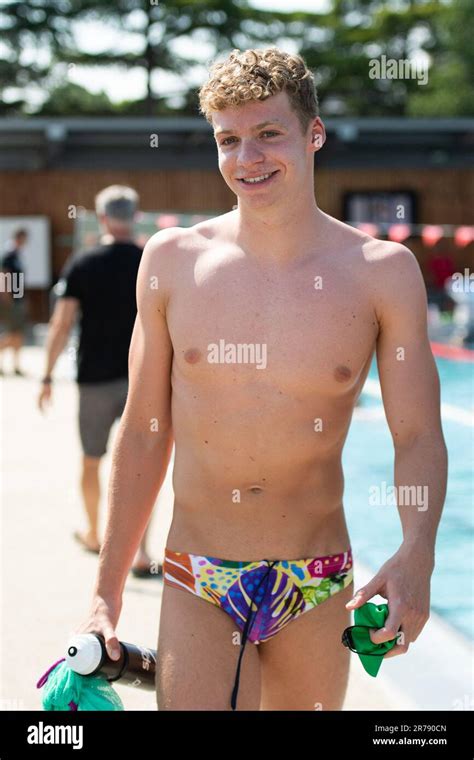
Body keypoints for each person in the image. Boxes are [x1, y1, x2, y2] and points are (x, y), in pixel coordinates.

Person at [78, 48, 447, 710]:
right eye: (228, 140)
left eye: (268, 134)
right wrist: (104, 596)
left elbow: (416, 432)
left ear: (313, 134)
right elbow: (142, 431)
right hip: (200, 574)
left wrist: (417, 555)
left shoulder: (381, 272)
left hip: (319, 579)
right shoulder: (173, 261)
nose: (247, 158)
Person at [38, 185, 159, 578]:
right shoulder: (150, 262)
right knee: (143, 463)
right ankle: (139, 552)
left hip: (93, 379)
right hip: (143, 381)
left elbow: (62, 323)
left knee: (92, 458)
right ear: (135, 216)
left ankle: (94, 533)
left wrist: (46, 374)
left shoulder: (84, 262)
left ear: (103, 217)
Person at [0, 228, 29, 375]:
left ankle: (16, 365)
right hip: (12, 300)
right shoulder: (9, 255)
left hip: (19, 298)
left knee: (18, 334)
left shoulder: (17, 255)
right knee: (12, 333)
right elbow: (3, 276)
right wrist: (6, 296)